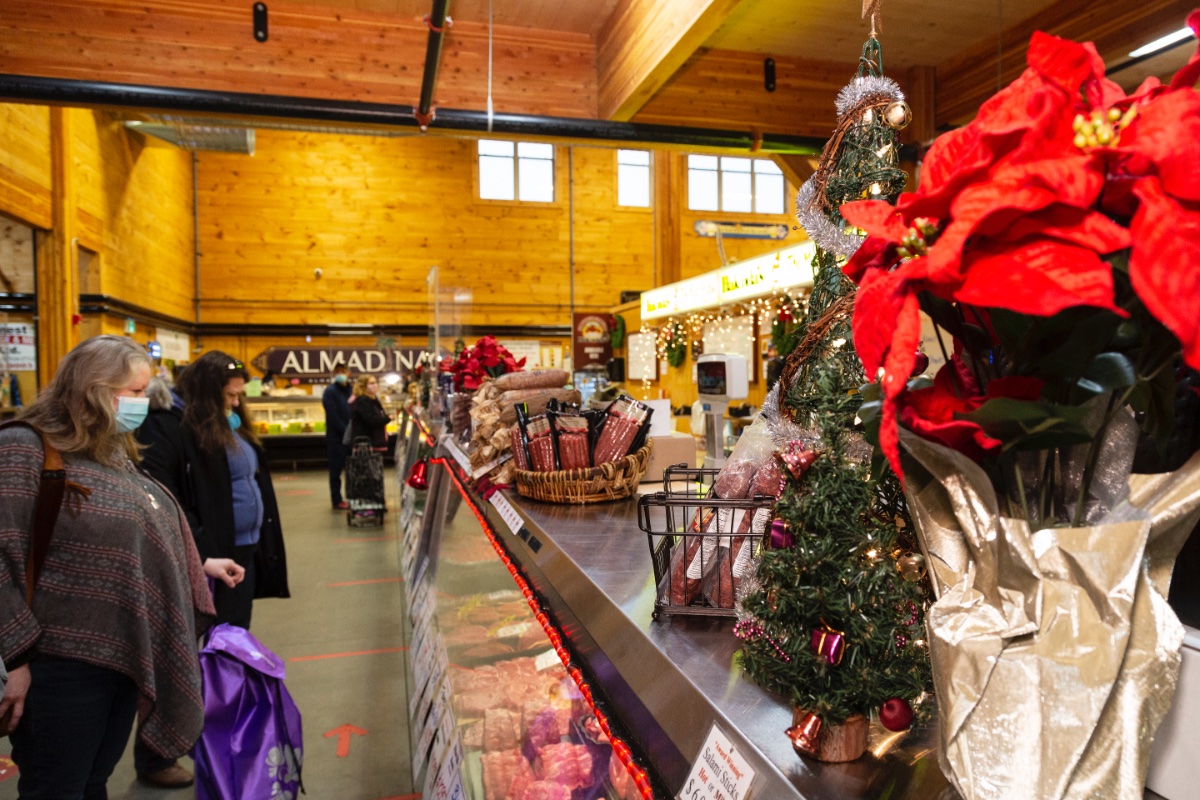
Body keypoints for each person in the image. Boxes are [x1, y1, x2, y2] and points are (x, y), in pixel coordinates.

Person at [0, 335, 244, 799]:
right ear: (95, 388)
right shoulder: (25, 448)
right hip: (56, 666)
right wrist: (15, 659)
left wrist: (198, 565)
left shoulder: (110, 454)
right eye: (133, 392)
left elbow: (138, 536)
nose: (142, 404)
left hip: (123, 657)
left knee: (92, 783)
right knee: (56, 788)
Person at [144, 351, 289, 631]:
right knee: (219, 633)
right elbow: (167, 495)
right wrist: (201, 551)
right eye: (230, 395)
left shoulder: (227, 425)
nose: (235, 402)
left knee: (236, 628)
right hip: (214, 553)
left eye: (239, 395)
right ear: (207, 394)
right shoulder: (175, 427)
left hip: (245, 548)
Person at [322, 364, 352, 509]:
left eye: (343, 371)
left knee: (352, 470)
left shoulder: (352, 390)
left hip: (351, 438)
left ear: (348, 373)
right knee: (336, 471)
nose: (341, 374)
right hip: (336, 438)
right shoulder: (330, 391)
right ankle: (337, 499)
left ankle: (353, 497)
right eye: (338, 372)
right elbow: (332, 414)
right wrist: (346, 431)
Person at [349, 374, 390, 451]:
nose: (375, 385)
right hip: (365, 445)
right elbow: (370, 419)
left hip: (373, 444)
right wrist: (387, 419)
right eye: (371, 383)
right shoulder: (362, 400)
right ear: (363, 385)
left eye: (375, 382)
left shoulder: (373, 399)